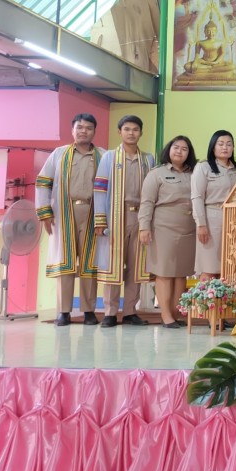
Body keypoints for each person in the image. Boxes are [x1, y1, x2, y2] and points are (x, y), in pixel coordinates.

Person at [36, 113, 104, 326]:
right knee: (64, 264)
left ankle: (89, 311)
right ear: (72, 130)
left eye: (88, 128)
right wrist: (45, 213)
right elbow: (43, 182)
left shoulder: (103, 156)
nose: (84, 131)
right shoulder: (59, 154)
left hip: (93, 213)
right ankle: (63, 311)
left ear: (94, 131)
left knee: (90, 264)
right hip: (64, 213)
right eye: (79, 127)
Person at [93, 115, 155, 328]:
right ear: (119, 132)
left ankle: (130, 311)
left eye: (135, 129)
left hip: (140, 218)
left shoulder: (148, 160)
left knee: (137, 267)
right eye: (127, 129)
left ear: (141, 133)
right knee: (113, 265)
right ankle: (110, 312)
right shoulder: (109, 158)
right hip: (115, 218)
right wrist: (100, 220)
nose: (131, 133)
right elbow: (100, 189)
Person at [139, 136, 197, 329]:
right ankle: (165, 315)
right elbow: (147, 202)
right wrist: (144, 227)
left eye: (184, 149)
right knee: (164, 272)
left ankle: (175, 312)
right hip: (163, 228)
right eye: (176, 147)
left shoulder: (194, 173)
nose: (179, 151)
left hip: (188, 228)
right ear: (169, 150)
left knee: (181, 273)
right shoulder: (157, 173)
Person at [191, 130, 236, 278]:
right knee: (209, 267)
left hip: (234, 221)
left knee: (231, 267)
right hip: (211, 219)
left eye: (229, 144)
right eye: (221, 144)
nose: (225, 147)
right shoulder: (204, 167)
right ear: (213, 147)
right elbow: (197, 197)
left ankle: (226, 295)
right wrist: (201, 224)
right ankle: (207, 294)